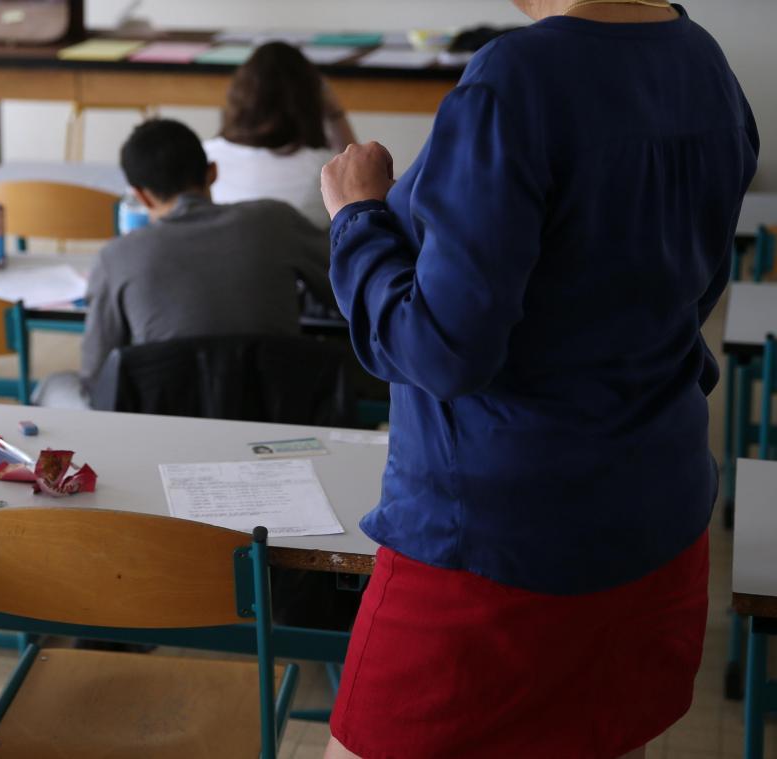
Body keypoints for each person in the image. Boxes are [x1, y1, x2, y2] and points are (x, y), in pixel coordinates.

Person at [318, 1, 757, 757]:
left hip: (496, 544)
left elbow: (441, 350)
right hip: (652, 514)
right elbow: (692, 295)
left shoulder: (516, 78)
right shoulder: (702, 63)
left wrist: (357, 218)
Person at [32, 118, 332, 409]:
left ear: (141, 196)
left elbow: (96, 376)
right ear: (212, 172)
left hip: (163, 422)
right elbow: (341, 286)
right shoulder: (275, 220)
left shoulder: (117, 257)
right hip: (279, 407)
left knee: (56, 386)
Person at [204, 41, 356, 229]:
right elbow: (356, 192)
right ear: (312, 99)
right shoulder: (324, 168)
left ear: (238, 95)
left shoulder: (206, 155)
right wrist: (335, 114)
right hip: (302, 257)